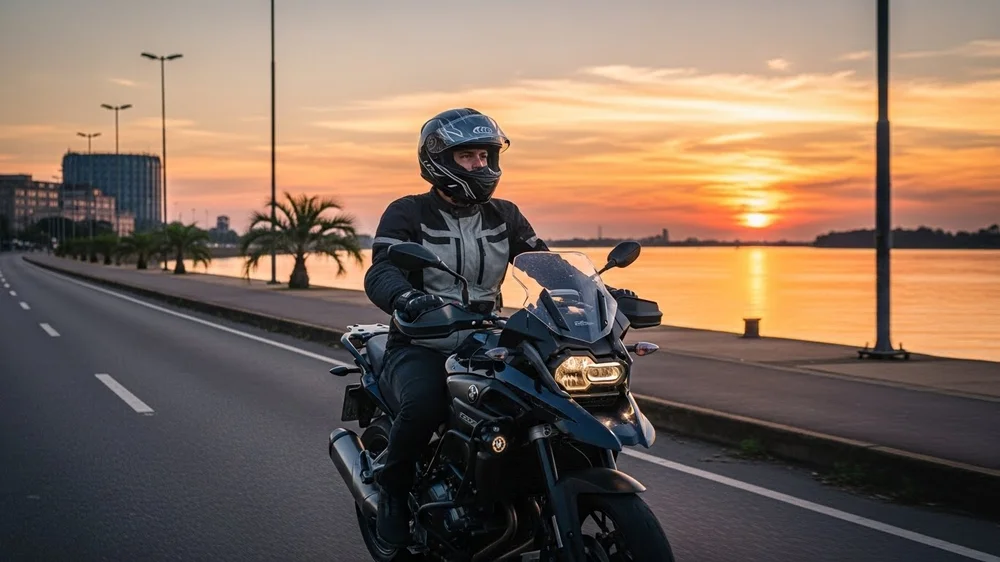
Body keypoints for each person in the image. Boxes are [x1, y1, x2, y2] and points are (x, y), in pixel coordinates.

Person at [363, 108, 633, 546]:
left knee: (542, 399)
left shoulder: (504, 215)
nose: (480, 166)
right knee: (425, 406)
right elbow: (382, 271)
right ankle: (392, 492)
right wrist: (407, 298)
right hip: (420, 342)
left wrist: (598, 292)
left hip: (485, 339)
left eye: (485, 156)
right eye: (468, 157)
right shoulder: (408, 212)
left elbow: (546, 266)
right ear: (439, 161)